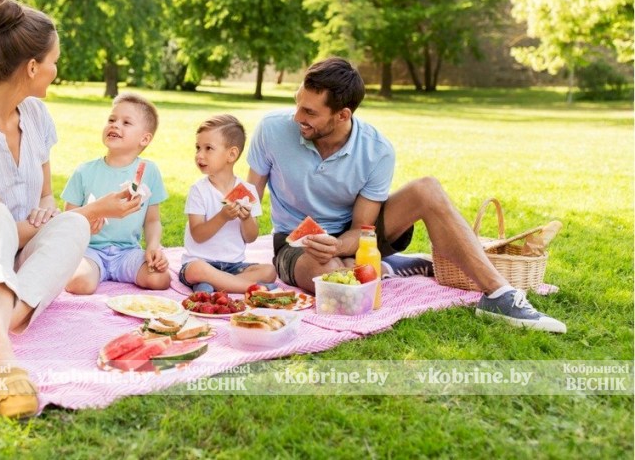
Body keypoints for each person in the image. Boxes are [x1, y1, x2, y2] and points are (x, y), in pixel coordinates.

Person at [0, 0, 142, 419]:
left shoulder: (36, 116)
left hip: (16, 265)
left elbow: (45, 199)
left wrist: (60, 214)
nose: (56, 70)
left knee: (72, 228)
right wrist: (93, 211)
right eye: (54, 62)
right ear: (33, 66)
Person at [246, 57, 566, 334]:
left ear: (343, 115)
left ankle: (499, 295)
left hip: (357, 236)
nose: (296, 116)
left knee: (427, 188)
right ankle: (388, 268)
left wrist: (341, 245)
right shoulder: (272, 130)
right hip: (294, 242)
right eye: (297, 102)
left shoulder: (376, 150)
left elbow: (363, 228)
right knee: (337, 286)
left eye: (309, 112)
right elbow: (248, 198)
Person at [61, 92, 171, 294]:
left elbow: (152, 220)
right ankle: (85, 271)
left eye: (126, 122)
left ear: (145, 138)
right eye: (111, 119)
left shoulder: (150, 171)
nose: (115, 125)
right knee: (80, 283)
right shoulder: (84, 171)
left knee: (161, 279)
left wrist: (153, 247)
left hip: (128, 252)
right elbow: (67, 219)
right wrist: (88, 222)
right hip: (90, 251)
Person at [178, 114, 277, 294]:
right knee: (197, 270)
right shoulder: (199, 190)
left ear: (231, 154)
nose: (199, 155)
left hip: (234, 266)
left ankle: (214, 286)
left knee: (269, 271)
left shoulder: (247, 190)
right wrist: (223, 216)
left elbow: (251, 237)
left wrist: (246, 218)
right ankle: (252, 288)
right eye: (198, 148)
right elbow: (198, 235)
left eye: (208, 148)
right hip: (201, 263)